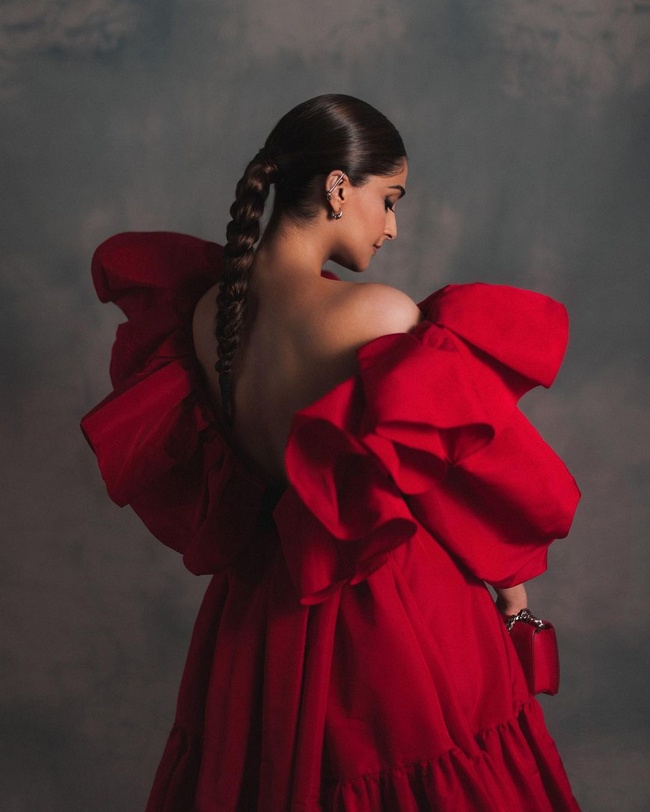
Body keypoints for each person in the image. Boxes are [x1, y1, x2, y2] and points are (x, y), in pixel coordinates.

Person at [81, 94, 581, 810]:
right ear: (339, 188)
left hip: (258, 622)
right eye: (389, 199)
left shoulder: (206, 314)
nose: (392, 225)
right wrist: (514, 593)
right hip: (390, 617)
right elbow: (464, 480)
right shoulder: (378, 314)